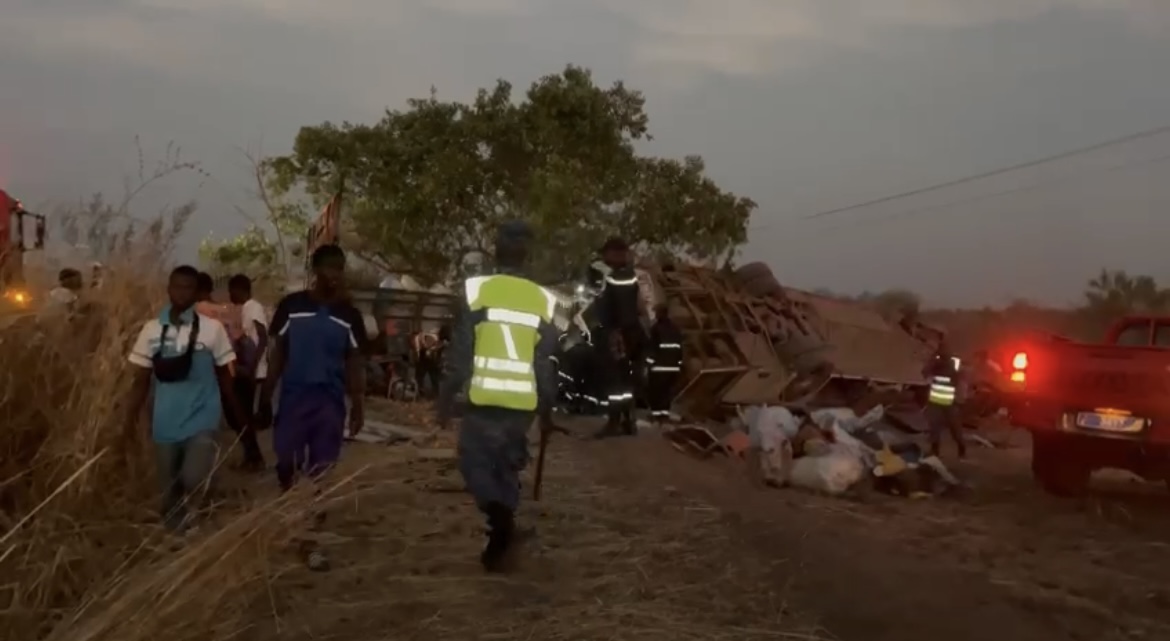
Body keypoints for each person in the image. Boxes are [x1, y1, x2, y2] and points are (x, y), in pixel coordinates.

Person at [436, 221, 558, 573]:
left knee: (475, 465)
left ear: (496, 250)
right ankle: (500, 538)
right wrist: (547, 408)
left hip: (484, 401)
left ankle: (500, 521)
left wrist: (445, 399)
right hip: (522, 407)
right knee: (506, 467)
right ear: (527, 254)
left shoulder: (478, 290)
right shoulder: (542, 300)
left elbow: (461, 354)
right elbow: (545, 363)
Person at [258, 244, 366, 571]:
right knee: (286, 463)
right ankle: (292, 513)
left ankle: (311, 539)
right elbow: (278, 353)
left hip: (329, 402)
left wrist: (358, 403)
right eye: (329, 268)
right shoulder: (292, 307)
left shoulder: (349, 315)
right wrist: (265, 394)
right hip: (293, 398)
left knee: (321, 470)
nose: (335, 275)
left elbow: (354, 362)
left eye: (340, 268)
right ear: (315, 270)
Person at [124, 265, 245, 533]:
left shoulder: (212, 329)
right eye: (177, 286)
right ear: (168, 289)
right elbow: (140, 380)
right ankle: (178, 533)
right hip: (165, 419)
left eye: (188, 287)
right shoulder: (151, 330)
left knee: (193, 476)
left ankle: (204, 505)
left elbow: (225, 376)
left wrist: (237, 415)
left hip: (203, 414)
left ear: (196, 292)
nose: (182, 292)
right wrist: (128, 422)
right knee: (169, 487)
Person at [591, 237, 644, 438]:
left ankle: (614, 423)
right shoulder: (626, 275)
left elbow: (617, 309)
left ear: (617, 254)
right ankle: (628, 421)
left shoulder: (618, 277)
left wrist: (614, 333)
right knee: (624, 381)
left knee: (614, 380)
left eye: (607, 253)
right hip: (626, 333)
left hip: (618, 333)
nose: (604, 257)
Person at [226, 274, 268, 471]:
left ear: (239, 290)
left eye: (231, 291)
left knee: (243, 415)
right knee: (242, 415)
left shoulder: (253, 307)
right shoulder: (245, 309)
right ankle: (251, 457)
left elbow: (263, 336)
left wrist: (253, 366)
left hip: (253, 370)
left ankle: (255, 458)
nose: (230, 295)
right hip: (249, 368)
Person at [923, 338, 967, 460]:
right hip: (936, 401)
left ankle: (961, 448)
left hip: (949, 402)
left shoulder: (953, 364)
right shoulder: (936, 363)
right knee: (934, 427)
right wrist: (934, 358)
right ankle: (935, 450)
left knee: (955, 427)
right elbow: (925, 372)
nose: (944, 352)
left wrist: (960, 398)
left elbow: (960, 379)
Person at [646, 303, 683, 423]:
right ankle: (664, 415)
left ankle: (656, 415)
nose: (655, 314)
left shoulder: (656, 329)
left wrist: (648, 364)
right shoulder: (675, 328)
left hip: (659, 368)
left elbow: (653, 349)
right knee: (666, 393)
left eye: (656, 312)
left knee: (656, 392)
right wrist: (678, 364)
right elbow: (679, 349)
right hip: (673, 368)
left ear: (660, 313)